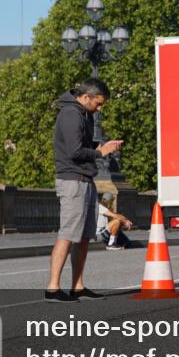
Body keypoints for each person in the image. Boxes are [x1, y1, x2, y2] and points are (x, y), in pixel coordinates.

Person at [46, 78, 123, 303]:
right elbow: (74, 151)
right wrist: (101, 152)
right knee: (68, 234)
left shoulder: (84, 114)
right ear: (86, 97)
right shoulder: (71, 114)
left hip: (85, 180)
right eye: (98, 104)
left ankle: (78, 287)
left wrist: (100, 148)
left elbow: (83, 148)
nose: (99, 109)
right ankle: (52, 288)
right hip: (72, 181)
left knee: (83, 237)